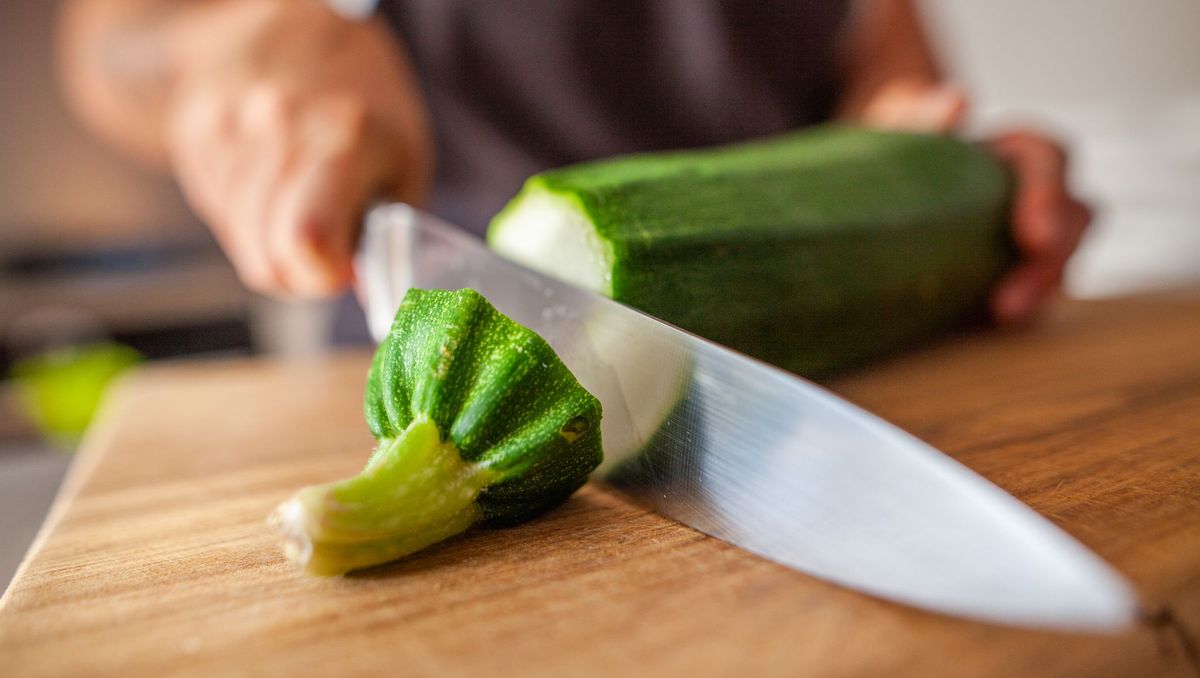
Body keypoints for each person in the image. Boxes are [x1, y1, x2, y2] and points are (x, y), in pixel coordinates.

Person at [57, 0, 1090, 325]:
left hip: (787, 348)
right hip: (449, 348)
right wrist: (221, 50)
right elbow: (110, 45)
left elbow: (883, 61)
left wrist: (936, 181)